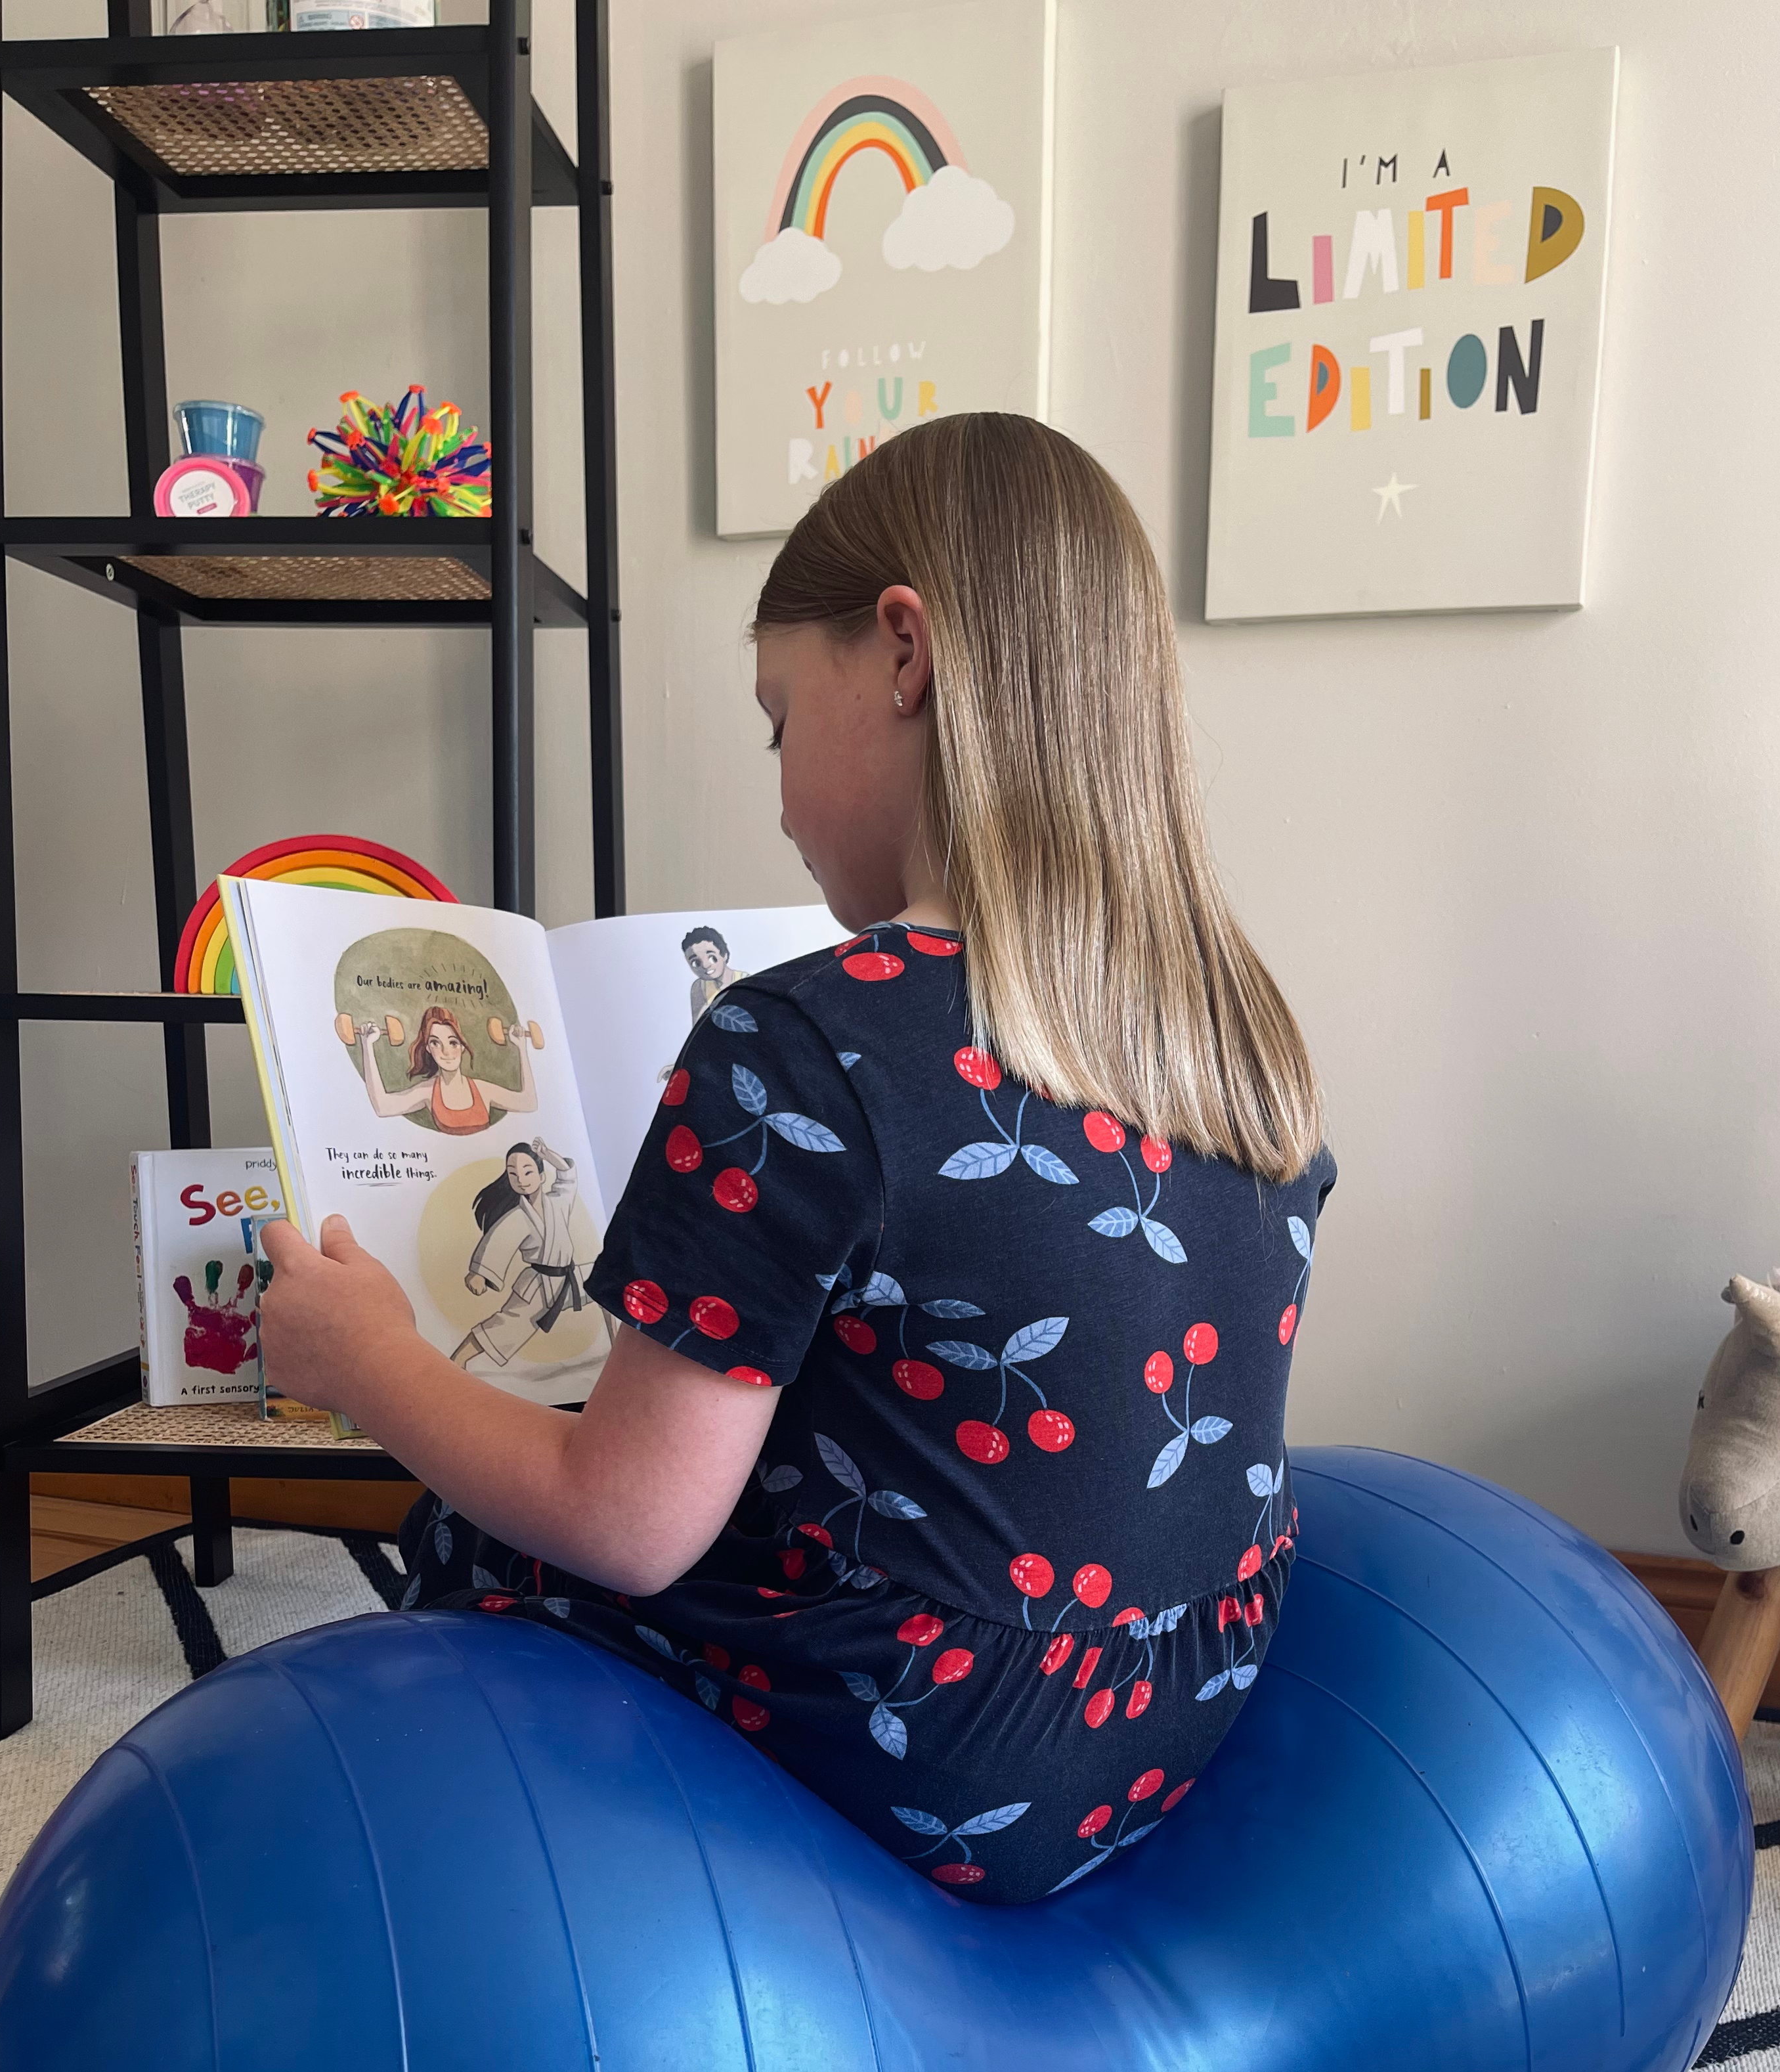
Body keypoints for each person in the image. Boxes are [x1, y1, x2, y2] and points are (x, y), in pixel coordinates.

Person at [261, 413, 1334, 1907]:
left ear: (904, 654)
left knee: (471, 1530)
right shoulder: (1234, 1027)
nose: (774, 795)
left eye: (777, 719)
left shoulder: (804, 1042)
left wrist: (365, 1355)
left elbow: (627, 1528)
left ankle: (495, 1899)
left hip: (941, 1742)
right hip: (1172, 1713)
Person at [450, 1138, 589, 1371]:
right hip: (538, 1287)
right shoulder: (517, 1218)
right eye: (513, 1174)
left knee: (604, 1279)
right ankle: (459, 1359)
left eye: (527, 1172)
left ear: (542, 1176)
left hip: (570, 1278)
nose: (521, 1180)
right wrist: (479, 1274)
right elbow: (496, 1242)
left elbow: (567, 1175)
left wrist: (547, 1154)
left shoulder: (558, 1203)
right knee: (506, 1326)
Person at [355, 1002, 536, 1135]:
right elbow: (383, 1107)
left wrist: (522, 1048)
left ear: (463, 1047)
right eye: (436, 1043)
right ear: (428, 1049)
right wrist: (368, 1046)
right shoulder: (427, 1092)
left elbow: (529, 1103)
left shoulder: (482, 1090)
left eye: (453, 1043)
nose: (446, 1051)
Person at [682, 925, 745, 1024]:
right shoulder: (699, 987)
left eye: (712, 958)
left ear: (724, 954)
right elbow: (697, 1026)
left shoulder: (744, 981)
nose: (706, 965)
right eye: (696, 963)